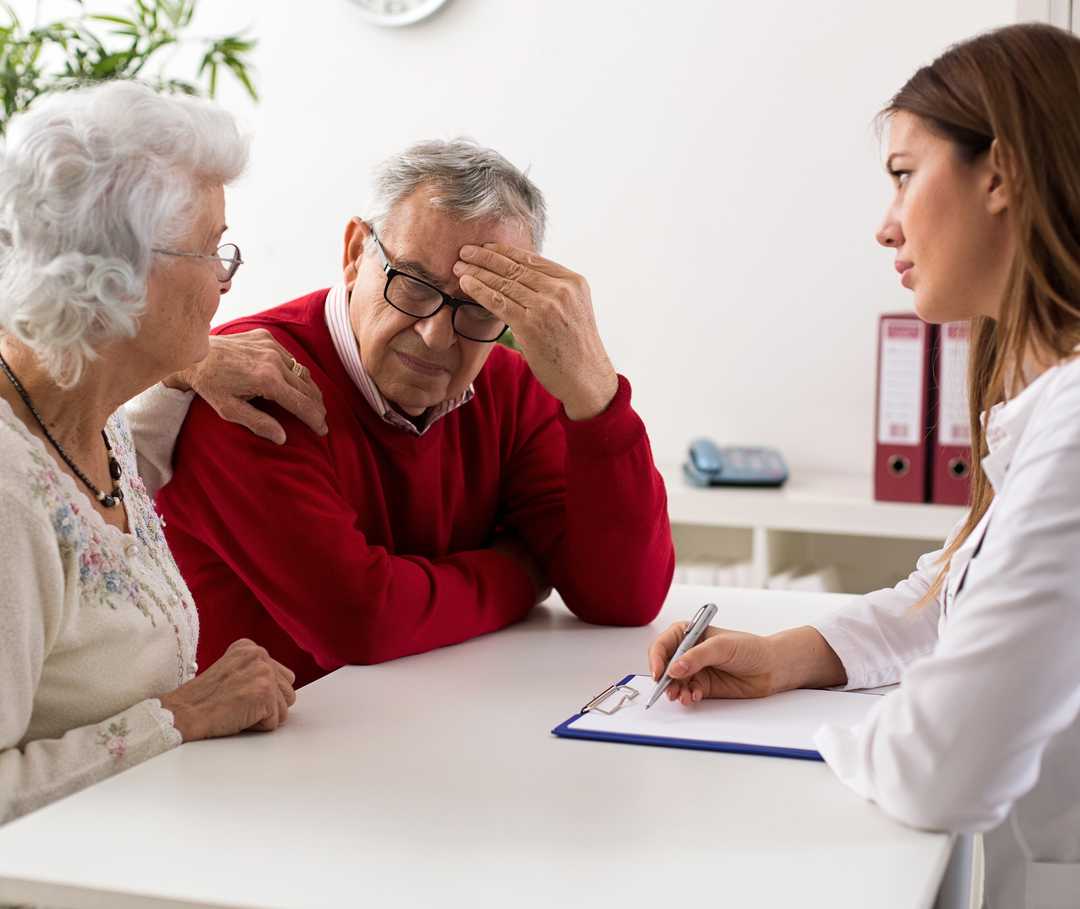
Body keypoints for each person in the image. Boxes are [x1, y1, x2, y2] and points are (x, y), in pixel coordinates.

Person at [649, 23, 1080, 909]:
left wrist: (830, 742)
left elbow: (939, 772)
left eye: (902, 175)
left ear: (999, 173)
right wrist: (784, 658)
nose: (886, 226)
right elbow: (959, 594)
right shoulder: (1045, 409)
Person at [131, 139, 675, 688]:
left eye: (479, 305)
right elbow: (358, 621)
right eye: (412, 285)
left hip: (429, 725)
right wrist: (523, 570)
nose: (436, 334)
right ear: (354, 254)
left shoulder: (511, 385)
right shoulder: (251, 381)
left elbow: (625, 600)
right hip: (245, 758)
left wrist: (595, 395)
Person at [0, 81, 297, 824]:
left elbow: (95, 513)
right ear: (120, 274)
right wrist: (177, 717)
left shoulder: (94, 418)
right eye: (211, 249)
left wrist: (184, 379)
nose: (227, 278)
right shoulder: (7, 496)